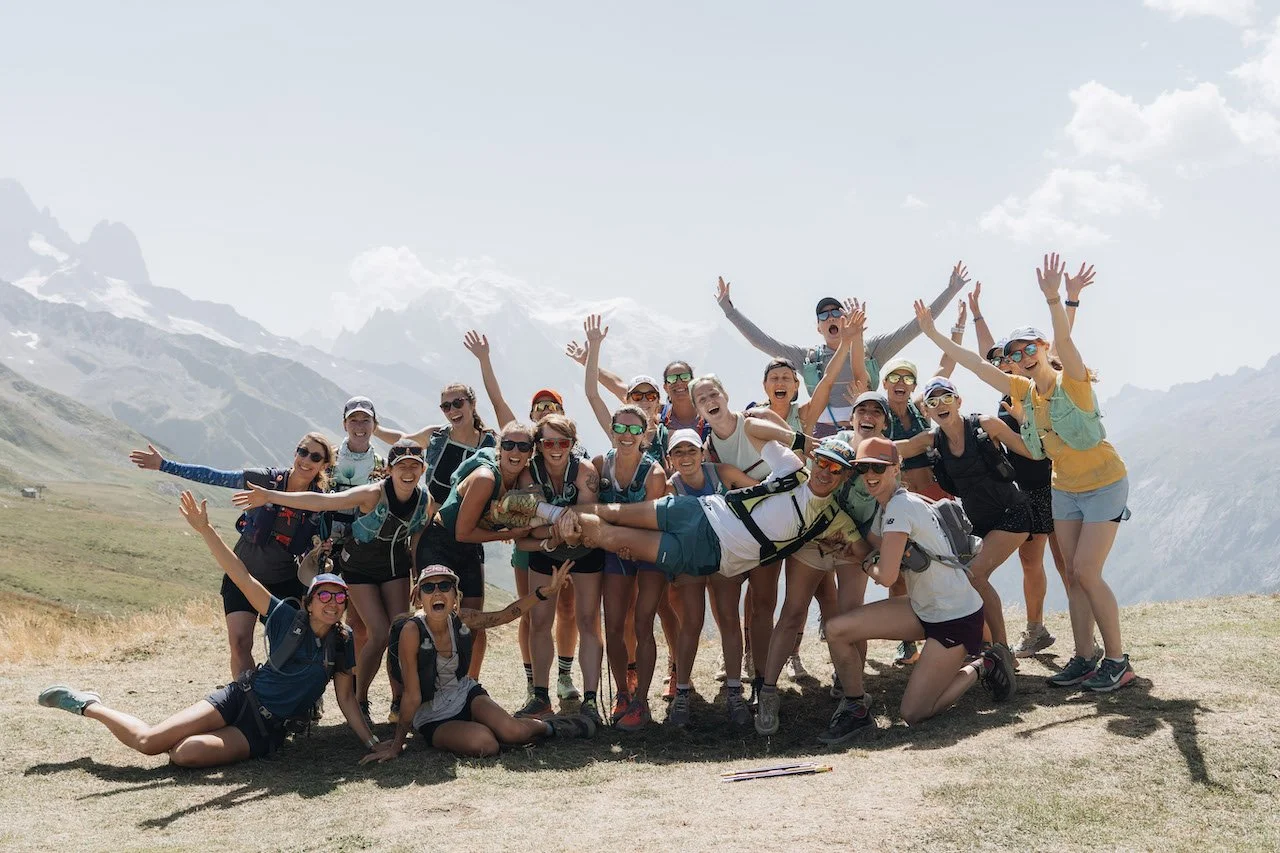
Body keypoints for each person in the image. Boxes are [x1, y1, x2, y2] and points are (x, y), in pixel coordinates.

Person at [909, 254, 1135, 692]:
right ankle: (1084, 658)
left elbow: (1065, 340)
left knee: (1086, 570)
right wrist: (934, 333)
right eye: (1015, 353)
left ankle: (1117, 660)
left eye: (1031, 348)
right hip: (1064, 488)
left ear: (1045, 349)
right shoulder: (1023, 391)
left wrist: (1055, 299)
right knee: (1074, 576)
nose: (1023, 357)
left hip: (1104, 483)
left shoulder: (1073, 382)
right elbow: (977, 365)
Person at [37, 491, 375, 767]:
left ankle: (194, 736)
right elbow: (242, 577)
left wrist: (373, 743)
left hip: (264, 729)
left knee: (183, 755)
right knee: (149, 742)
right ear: (308, 602)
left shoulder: (341, 642)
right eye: (324, 595)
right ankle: (88, 705)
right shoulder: (286, 617)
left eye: (339, 597)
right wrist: (205, 529)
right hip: (239, 699)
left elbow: (346, 698)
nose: (332, 602)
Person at [819, 439, 1017, 744]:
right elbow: (877, 547)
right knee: (836, 630)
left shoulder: (899, 507)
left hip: (954, 619)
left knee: (913, 713)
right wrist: (858, 550)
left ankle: (984, 664)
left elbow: (886, 576)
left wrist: (865, 563)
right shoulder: (892, 503)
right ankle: (856, 708)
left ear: (896, 469)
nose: (869, 474)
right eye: (863, 468)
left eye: (878, 468)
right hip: (924, 608)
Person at [233, 439, 432, 725]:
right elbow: (323, 502)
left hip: (395, 568)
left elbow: (417, 534)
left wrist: (420, 575)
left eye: (415, 466)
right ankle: (359, 700)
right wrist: (271, 496)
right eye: (402, 466)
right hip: (360, 568)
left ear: (423, 469)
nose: (408, 472)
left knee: (402, 632)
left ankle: (400, 700)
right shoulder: (372, 493)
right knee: (379, 633)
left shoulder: (424, 499)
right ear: (389, 469)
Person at [127, 433, 333, 680]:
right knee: (239, 643)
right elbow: (215, 475)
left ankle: (293, 695)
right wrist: (164, 465)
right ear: (295, 452)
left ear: (324, 465)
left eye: (315, 457)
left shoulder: (320, 502)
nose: (306, 460)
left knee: (289, 646)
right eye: (303, 451)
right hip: (241, 573)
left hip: (283, 582)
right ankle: (247, 698)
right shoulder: (265, 480)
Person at [363, 563, 596, 761]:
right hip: (433, 715)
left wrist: (545, 592)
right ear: (418, 597)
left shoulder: (462, 618)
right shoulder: (412, 631)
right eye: (428, 587)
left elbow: (504, 615)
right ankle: (492, 728)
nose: (437, 592)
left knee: (513, 732)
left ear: (455, 596)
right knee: (486, 745)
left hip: (465, 694)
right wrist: (397, 745)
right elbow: (412, 695)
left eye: (445, 586)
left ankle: (552, 726)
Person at [464, 329, 582, 703]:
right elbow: (497, 401)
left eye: (552, 405)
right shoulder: (523, 445)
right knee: (530, 609)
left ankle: (564, 676)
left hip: (567, 541)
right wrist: (485, 360)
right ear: (531, 416)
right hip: (528, 542)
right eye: (539, 406)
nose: (545, 410)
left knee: (567, 608)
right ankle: (534, 682)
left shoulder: (571, 452)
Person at [714, 262, 968, 436]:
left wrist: (951, 290)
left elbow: (916, 326)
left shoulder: (871, 350)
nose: (831, 318)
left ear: (846, 318)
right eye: (824, 316)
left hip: (867, 428)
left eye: (836, 312)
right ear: (818, 327)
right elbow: (762, 341)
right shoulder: (808, 358)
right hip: (821, 434)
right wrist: (729, 310)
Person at [581, 316, 679, 728]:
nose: (624, 433)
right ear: (612, 430)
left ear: (644, 432)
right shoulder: (599, 464)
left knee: (643, 622)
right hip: (614, 551)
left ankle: (641, 700)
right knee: (616, 624)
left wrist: (624, 541)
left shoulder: (654, 471)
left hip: (646, 551)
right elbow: (591, 393)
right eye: (618, 427)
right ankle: (623, 694)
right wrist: (593, 349)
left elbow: (654, 519)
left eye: (632, 429)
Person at [892, 377, 1035, 655]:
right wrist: (854, 441)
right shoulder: (932, 439)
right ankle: (983, 646)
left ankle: (1002, 652)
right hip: (978, 524)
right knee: (964, 580)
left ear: (959, 401)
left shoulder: (985, 425)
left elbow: (1030, 450)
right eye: (933, 401)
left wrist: (1026, 421)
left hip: (1012, 514)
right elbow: (900, 448)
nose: (941, 405)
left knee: (974, 575)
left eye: (947, 397)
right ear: (927, 411)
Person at [967, 281, 1065, 657]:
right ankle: (1037, 629)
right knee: (1031, 561)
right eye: (1001, 359)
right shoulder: (1008, 390)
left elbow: (1055, 348)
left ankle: (1081, 638)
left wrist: (1066, 302)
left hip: (1051, 483)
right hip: (1023, 487)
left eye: (1007, 358)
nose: (1002, 362)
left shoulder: (1034, 387)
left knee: (1065, 563)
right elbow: (985, 354)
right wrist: (977, 314)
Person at [415, 421, 543, 680]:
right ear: (499, 448)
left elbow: (534, 498)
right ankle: (428, 683)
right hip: (441, 543)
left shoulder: (521, 477)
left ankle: (468, 684)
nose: (515, 452)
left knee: (474, 621)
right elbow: (462, 532)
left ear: (531, 452)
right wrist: (508, 534)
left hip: (469, 548)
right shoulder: (486, 478)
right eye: (509, 445)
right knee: (438, 620)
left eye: (523, 446)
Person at [511, 413, 606, 721]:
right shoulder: (529, 473)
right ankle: (540, 696)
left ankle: (590, 700)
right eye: (548, 442)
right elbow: (528, 523)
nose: (555, 449)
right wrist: (557, 528)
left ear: (572, 444)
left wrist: (548, 522)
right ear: (538, 445)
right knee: (539, 621)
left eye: (562, 443)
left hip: (585, 549)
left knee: (588, 621)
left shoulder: (585, 470)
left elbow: (588, 517)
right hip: (546, 549)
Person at [662, 429, 760, 727]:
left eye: (691, 450)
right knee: (691, 622)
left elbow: (760, 493)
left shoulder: (722, 473)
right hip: (690, 559)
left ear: (702, 453)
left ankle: (734, 691)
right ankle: (682, 692)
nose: (686, 457)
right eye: (678, 452)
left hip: (724, 556)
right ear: (670, 458)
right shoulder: (670, 487)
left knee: (728, 619)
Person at [327, 396, 388, 701]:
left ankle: (354, 690)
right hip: (326, 548)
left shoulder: (383, 465)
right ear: (344, 424)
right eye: (354, 420)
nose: (360, 426)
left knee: (358, 624)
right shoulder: (329, 457)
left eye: (366, 420)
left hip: (363, 549)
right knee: (320, 620)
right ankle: (313, 691)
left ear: (375, 425)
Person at [373, 383, 496, 506]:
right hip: (429, 512)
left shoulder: (489, 445)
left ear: (472, 403)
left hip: (466, 516)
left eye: (458, 403)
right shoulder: (437, 436)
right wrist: (375, 430)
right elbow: (403, 441)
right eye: (446, 406)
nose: (452, 410)